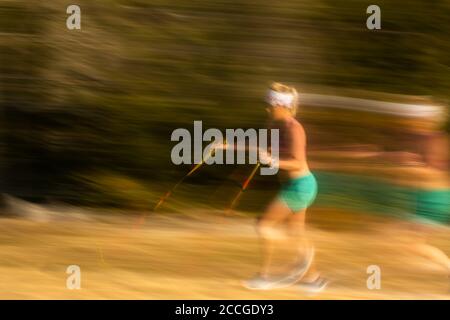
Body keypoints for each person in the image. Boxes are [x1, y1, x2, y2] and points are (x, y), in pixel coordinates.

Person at [242, 82, 327, 292]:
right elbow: (262, 149)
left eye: (270, 104)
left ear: (281, 105)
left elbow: (297, 162)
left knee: (264, 226)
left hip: (301, 186)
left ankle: (265, 277)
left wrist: (273, 162)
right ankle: (314, 279)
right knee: (295, 232)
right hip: (296, 186)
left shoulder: (294, 128)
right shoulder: (275, 126)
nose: (267, 108)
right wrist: (226, 146)